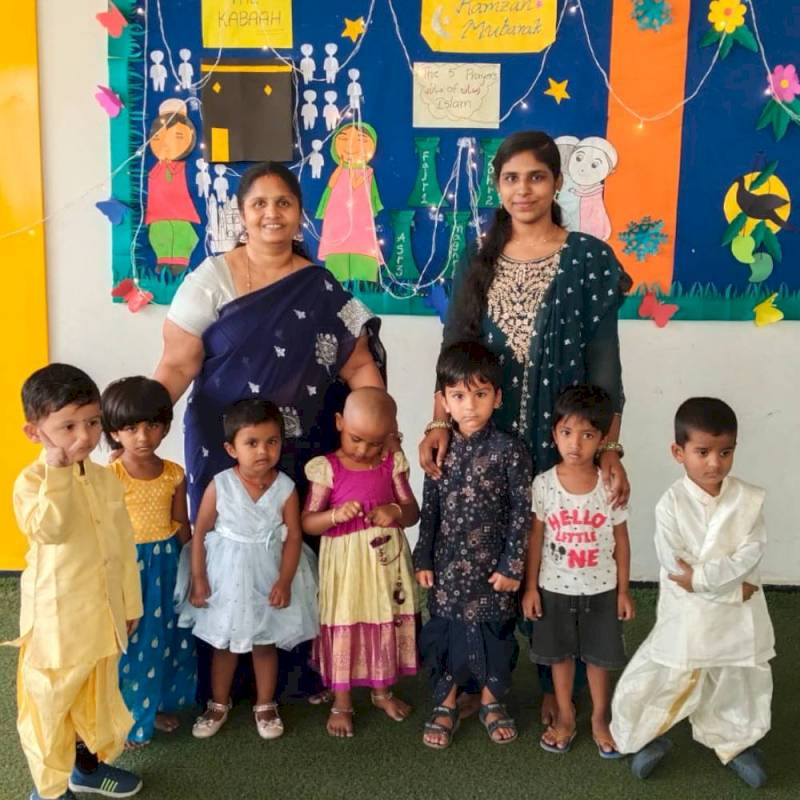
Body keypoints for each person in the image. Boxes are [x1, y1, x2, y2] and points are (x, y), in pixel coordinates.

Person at [419, 130, 632, 725]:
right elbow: (454, 345)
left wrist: (609, 446)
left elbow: (605, 361)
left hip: (560, 438)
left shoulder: (588, 258)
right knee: (477, 552)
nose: (524, 189)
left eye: (536, 177)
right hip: (481, 437)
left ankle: (553, 678)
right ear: (497, 185)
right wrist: (439, 420)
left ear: (557, 183)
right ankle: (472, 677)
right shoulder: (478, 255)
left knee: (553, 554)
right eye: (511, 178)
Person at [153, 161, 386, 702]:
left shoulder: (321, 285)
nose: (271, 213)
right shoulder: (211, 277)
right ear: (241, 213)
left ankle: (293, 676)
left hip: (296, 450)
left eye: (283, 202)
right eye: (259, 203)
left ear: (300, 213)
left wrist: (382, 427)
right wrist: (140, 421)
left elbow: (358, 365)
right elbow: (177, 364)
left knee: (288, 549)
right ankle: (218, 681)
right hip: (222, 445)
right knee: (226, 548)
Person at [610, 398, 774, 789]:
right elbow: (677, 570)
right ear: (678, 452)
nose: (715, 463)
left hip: (737, 617)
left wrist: (705, 581)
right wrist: (727, 591)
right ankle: (642, 736)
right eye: (703, 452)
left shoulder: (747, 501)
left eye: (725, 452)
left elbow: (748, 555)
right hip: (689, 612)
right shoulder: (670, 505)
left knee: (736, 677)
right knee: (665, 672)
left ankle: (736, 741)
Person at [11, 364, 143, 800]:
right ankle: (49, 791)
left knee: (95, 700)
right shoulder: (32, 483)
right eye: (67, 426)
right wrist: (57, 473)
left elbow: (122, 545)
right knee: (52, 707)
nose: (84, 436)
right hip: (58, 625)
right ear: (35, 433)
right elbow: (52, 529)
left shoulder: (105, 478)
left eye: (92, 422)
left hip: (102, 617)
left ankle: (86, 769)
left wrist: (130, 605)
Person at [175, 399, 319, 740]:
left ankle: (266, 704)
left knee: (265, 642)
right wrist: (199, 579)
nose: (263, 451)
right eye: (251, 443)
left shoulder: (285, 488)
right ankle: (217, 703)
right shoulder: (221, 484)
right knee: (224, 644)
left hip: (268, 576)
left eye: (271, 442)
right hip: (225, 579)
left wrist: (284, 581)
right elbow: (200, 532)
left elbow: (294, 537)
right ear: (231, 448)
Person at [413, 342, 532, 749]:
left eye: (480, 394)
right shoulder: (439, 450)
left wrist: (512, 565)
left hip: (492, 569)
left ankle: (491, 702)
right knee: (444, 633)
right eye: (459, 396)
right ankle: (445, 703)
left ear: (497, 398)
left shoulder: (511, 451)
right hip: (447, 567)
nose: (470, 406)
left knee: (495, 633)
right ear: (444, 401)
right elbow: (430, 510)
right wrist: (423, 557)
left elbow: (522, 512)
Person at [522, 385, 634, 757]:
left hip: (601, 590)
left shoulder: (610, 485)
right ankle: (566, 715)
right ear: (554, 434)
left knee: (599, 659)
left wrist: (623, 591)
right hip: (554, 588)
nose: (575, 443)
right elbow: (536, 538)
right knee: (560, 657)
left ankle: (600, 718)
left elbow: (621, 540)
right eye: (567, 432)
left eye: (587, 435)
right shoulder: (544, 484)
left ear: (602, 440)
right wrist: (531, 587)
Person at [302, 387, 420, 738]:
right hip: (346, 567)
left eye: (375, 443)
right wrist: (334, 516)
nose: (364, 450)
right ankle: (342, 703)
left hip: (386, 564)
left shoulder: (392, 464)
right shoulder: (327, 468)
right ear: (340, 422)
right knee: (346, 621)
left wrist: (394, 510)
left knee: (383, 618)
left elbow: (412, 512)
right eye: (356, 439)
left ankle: (382, 692)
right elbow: (308, 521)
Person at [101, 376, 196, 748]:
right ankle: (129, 722)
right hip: (128, 570)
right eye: (130, 428)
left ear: (166, 427)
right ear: (114, 432)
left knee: (166, 640)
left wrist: (194, 570)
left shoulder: (174, 473)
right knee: (133, 645)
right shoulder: (110, 476)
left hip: (167, 566)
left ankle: (154, 707)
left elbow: (181, 525)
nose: (143, 437)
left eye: (152, 425)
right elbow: (103, 531)